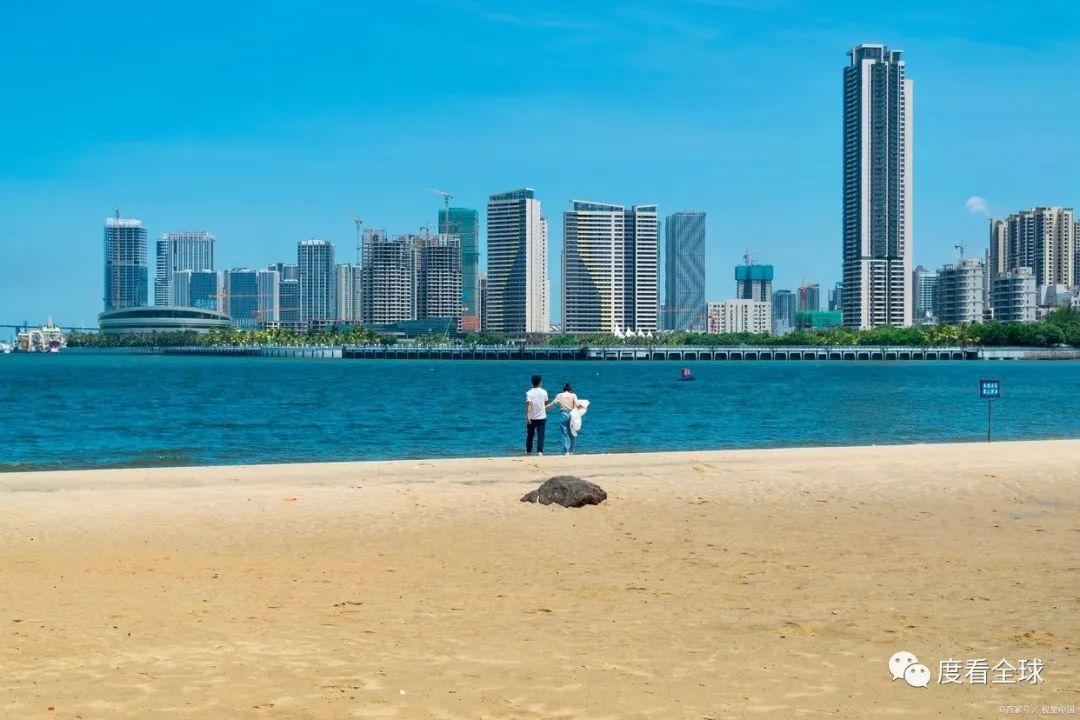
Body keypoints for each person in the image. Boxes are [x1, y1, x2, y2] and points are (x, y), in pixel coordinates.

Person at [552, 383, 579, 455]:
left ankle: (566, 450)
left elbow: (553, 404)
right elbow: (577, 405)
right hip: (572, 415)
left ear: (563, 390)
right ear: (570, 390)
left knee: (564, 432)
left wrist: (545, 408)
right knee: (572, 432)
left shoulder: (559, 395)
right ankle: (571, 451)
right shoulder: (573, 395)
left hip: (563, 414)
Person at [524, 375, 548, 455]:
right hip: (542, 417)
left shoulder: (528, 393)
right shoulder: (544, 392)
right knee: (541, 435)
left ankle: (528, 451)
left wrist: (527, 416)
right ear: (540, 382)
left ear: (532, 382)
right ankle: (539, 451)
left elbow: (529, 405)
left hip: (531, 417)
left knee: (530, 435)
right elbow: (545, 403)